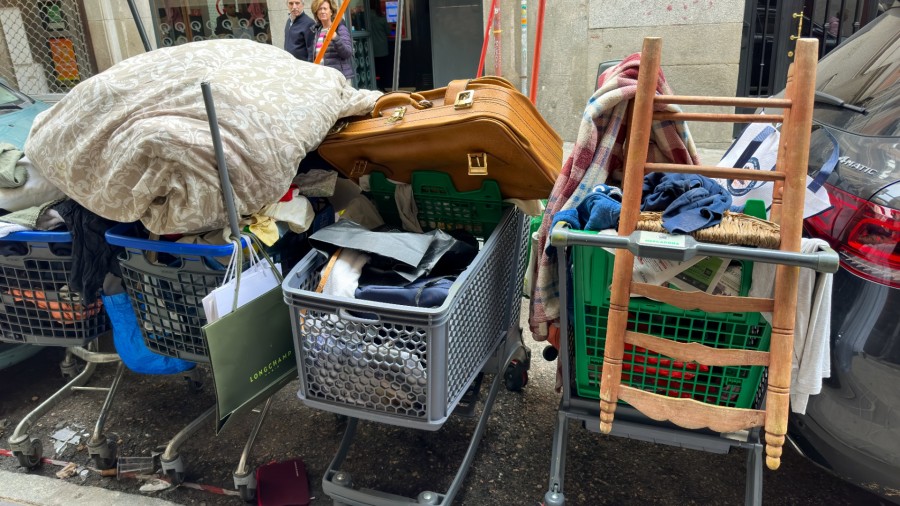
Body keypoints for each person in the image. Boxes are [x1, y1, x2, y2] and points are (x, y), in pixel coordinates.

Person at [310, 0, 355, 80]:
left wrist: (336, 38)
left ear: (331, 12)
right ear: (316, 12)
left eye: (325, 8)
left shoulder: (340, 29)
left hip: (338, 77)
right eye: (319, 9)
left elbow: (347, 53)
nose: (322, 11)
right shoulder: (317, 31)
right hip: (322, 77)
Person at [368, 0, 390, 90]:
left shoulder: (365, 16)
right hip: (382, 48)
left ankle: (374, 86)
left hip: (371, 48)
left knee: (374, 69)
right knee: (382, 70)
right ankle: (382, 87)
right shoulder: (382, 17)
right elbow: (388, 31)